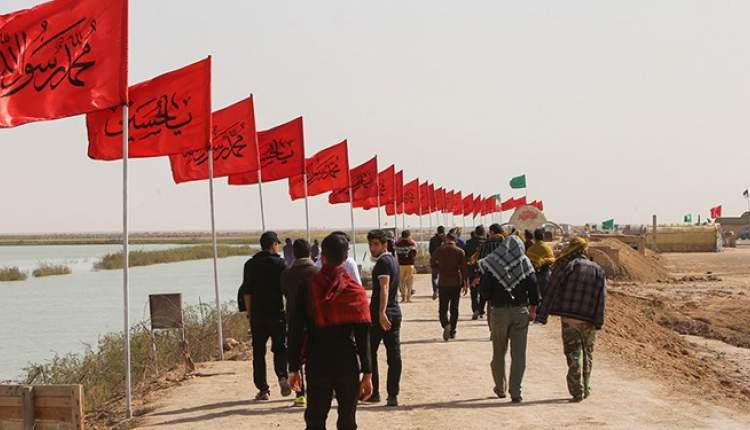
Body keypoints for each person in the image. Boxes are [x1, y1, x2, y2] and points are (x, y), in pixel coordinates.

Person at [287, 233, 373, 429]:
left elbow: (295, 328)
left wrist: (293, 367)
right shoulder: (355, 290)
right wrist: (367, 372)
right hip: (347, 363)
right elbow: (363, 336)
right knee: (347, 421)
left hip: (318, 362)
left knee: (315, 420)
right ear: (345, 258)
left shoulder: (309, 286)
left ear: (322, 256)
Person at [536, 238, 607, 403]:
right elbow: (602, 298)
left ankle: (577, 390)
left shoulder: (566, 266)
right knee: (587, 353)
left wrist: (543, 315)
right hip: (588, 319)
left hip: (569, 318)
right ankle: (586, 386)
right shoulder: (598, 270)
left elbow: (552, 289)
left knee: (573, 353)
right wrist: (599, 320)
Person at [479, 234, 539, 404]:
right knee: (518, 354)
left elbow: (484, 292)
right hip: (520, 312)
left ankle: (500, 387)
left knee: (498, 351)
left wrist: (490, 302)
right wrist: (533, 310)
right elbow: (534, 288)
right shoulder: (525, 263)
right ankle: (516, 392)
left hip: (499, 312)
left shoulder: (492, 264)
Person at [239, 231, 291, 401]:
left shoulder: (250, 264)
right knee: (280, 348)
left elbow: (247, 292)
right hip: (277, 313)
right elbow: (287, 291)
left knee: (259, 352)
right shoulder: (281, 264)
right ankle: (283, 376)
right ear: (274, 245)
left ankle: (263, 389)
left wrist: (249, 313)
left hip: (258, 316)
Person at [366, 229, 403, 406]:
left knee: (371, 353)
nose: (372, 248)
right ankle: (392, 394)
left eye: (375, 244)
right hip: (394, 312)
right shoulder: (393, 261)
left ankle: (376, 393)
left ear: (384, 244)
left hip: (381, 314)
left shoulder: (383, 263)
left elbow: (385, 287)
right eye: (370, 244)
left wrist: (381, 312)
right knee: (394, 356)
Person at [280, 239, 319, 408]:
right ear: (310, 252)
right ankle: (318, 391)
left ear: (294, 254)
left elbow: (285, 293)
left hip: (294, 319)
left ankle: (300, 394)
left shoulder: (287, 274)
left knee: (295, 355)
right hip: (316, 320)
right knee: (316, 355)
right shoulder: (317, 272)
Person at [430, 233, 468, 341]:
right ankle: (453, 330)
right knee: (454, 308)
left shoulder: (440, 250)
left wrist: (439, 266)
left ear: (446, 239)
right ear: (455, 241)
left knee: (443, 307)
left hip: (443, 283)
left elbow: (432, 262)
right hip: (456, 283)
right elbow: (464, 269)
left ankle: (446, 324)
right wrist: (465, 284)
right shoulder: (460, 252)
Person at [465, 225, 487, 320]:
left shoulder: (469, 242)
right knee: (484, 291)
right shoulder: (487, 242)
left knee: (474, 292)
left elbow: (465, 257)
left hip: (472, 271)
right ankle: (481, 309)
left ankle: (475, 310)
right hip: (484, 271)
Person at [526, 229, 555, 300]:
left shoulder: (530, 249)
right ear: (543, 236)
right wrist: (543, 261)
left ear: (535, 237)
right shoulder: (547, 248)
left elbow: (527, 261)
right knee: (545, 296)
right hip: (545, 274)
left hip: (533, 275)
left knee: (535, 295)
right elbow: (552, 260)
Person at [395, 230, 418, 303]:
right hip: (410, 264)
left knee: (401, 281)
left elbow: (395, 249)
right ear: (409, 235)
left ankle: (403, 297)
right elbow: (415, 253)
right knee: (409, 281)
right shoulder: (412, 243)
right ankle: (408, 298)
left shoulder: (398, 243)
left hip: (401, 264)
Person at [428, 226, 447, 300]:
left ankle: (435, 290)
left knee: (434, 277)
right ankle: (442, 291)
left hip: (435, 261)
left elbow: (430, 250)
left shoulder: (432, 239)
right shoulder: (446, 239)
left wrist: (434, 259)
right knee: (444, 277)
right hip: (444, 262)